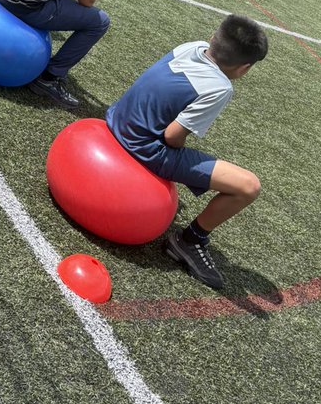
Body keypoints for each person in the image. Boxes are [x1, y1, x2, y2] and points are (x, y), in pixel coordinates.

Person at [105, 15, 268, 291]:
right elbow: (172, 136)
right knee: (248, 186)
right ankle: (190, 241)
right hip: (144, 147)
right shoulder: (220, 87)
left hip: (116, 119)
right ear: (244, 69)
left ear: (213, 37)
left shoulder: (192, 46)